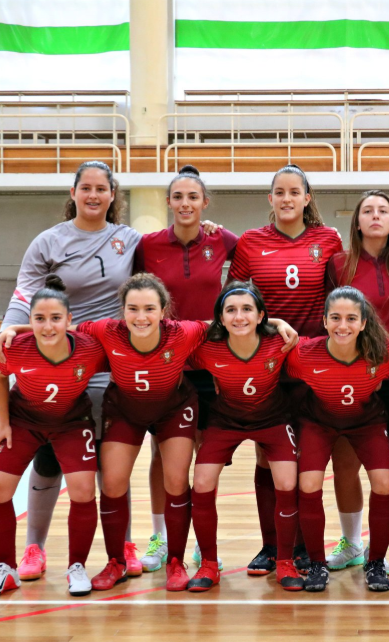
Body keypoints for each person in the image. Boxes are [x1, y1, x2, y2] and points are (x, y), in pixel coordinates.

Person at [0, 161, 143, 581]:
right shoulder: (49, 241)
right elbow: (25, 291)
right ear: (74, 192)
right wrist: (10, 328)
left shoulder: (129, 240)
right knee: (50, 456)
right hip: (57, 362)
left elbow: (169, 254)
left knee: (112, 460)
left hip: (108, 364)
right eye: (86, 188)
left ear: (113, 195)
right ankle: (34, 549)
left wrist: (205, 227)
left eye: (102, 188)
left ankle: (124, 545)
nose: (94, 195)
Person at [227, 164, 343, 574]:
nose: (287, 198)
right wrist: (270, 324)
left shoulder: (329, 239)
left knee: (307, 459)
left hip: (315, 361)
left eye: (295, 191)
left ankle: (304, 547)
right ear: (270, 198)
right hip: (267, 360)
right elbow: (235, 297)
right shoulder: (251, 242)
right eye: (279, 192)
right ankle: (272, 545)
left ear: (307, 198)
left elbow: (342, 295)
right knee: (268, 455)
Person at [132, 165, 237, 574]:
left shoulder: (224, 240)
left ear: (204, 203)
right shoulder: (149, 245)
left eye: (194, 197)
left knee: (202, 454)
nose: (186, 204)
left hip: (210, 364)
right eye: (178, 197)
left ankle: (200, 541)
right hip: (165, 363)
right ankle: (161, 535)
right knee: (164, 454)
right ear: (169, 202)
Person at [0, 276, 107, 598]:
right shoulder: (15, 348)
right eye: (39, 319)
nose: (48, 326)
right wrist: (2, 422)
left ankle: (76, 567)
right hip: (24, 420)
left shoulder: (90, 348)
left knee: (82, 489)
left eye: (55, 318)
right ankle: (6, 569)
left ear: (69, 320)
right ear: (30, 321)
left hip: (71, 422)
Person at [286, 287, 389, 591]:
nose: (343, 325)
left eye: (352, 318)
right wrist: (277, 323)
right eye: (336, 318)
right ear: (325, 321)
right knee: (309, 484)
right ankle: (316, 564)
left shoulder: (385, 353)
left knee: (383, 482)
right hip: (318, 422)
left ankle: (376, 561)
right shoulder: (303, 354)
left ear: (364, 323)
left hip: (366, 422)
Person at [185, 282, 301, 592]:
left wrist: (278, 323)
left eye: (247, 309)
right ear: (220, 319)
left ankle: (285, 561)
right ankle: (209, 563)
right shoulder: (206, 349)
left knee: (288, 483)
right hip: (225, 421)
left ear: (261, 315)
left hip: (273, 419)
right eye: (231, 310)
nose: (239, 316)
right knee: (202, 482)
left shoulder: (281, 343)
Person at [323, 190, 389, 572]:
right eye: (367, 211)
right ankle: (352, 542)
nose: (375, 216)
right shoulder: (338, 264)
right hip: (351, 377)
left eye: (383, 211)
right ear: (356, 221)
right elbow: (330, 318)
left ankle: (386, 551)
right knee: (345, 464)